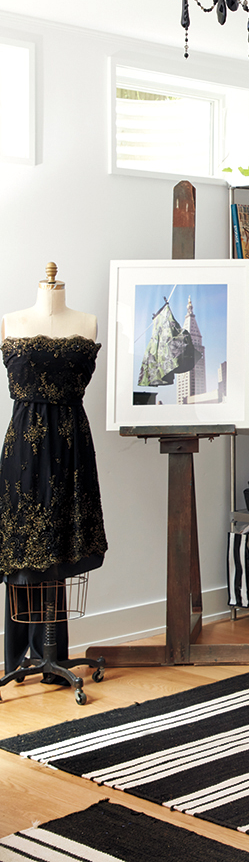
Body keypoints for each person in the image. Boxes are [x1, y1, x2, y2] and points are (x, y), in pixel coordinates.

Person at [0, 263, 107, 682]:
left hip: (70, 446)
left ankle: (52, 655)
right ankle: (24, 652)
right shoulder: (11, 321)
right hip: (24, 445)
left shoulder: (87, 322)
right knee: (25, 538)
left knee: (61, 538)